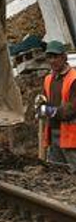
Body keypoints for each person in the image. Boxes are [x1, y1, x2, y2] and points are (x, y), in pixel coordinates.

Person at [36, 40, 76, 172]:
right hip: (53, 134)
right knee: (56, 174)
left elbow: (69, 111)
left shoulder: (74, 79)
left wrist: (46, 110)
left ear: (64, 57)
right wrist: (40, 107)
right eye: (49, 57)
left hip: (71, 137)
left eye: (55, 56)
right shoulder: (48, 79)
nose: (52, 60)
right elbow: (43, 103)